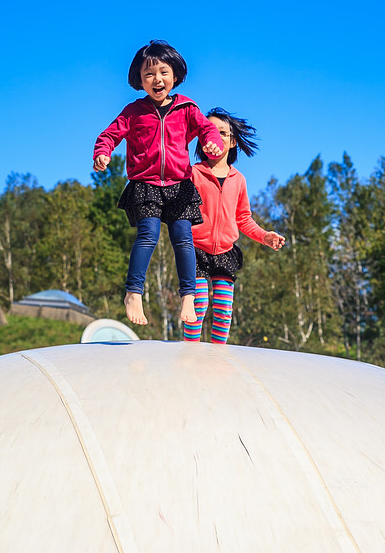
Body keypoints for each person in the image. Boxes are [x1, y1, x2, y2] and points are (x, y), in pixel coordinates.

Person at [93, 41, 224, 326]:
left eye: (164, 72)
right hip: (146, 183)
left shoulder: (187, 108)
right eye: (149, 74)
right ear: (140, 80)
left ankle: (188, 296)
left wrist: (212, 143)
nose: (157, 79)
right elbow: (109, 135)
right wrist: (102, 152)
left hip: (179, 184)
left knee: (183, 238)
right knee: (148, 234)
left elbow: (206, 128)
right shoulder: (133, 111)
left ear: (175, 76)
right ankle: (133, 292)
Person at [183, 108, 285, 344]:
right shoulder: (193, 174)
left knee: (223, 311)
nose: (216, 137)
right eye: (209, 132)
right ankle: (189, 352)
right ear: (201, 139)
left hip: (225, 252)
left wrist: (264, 236)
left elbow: (244, 219)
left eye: (222, 133)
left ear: (233, 142)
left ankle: (218, 356)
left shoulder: (238, 180)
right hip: (195, 249)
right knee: (198, 304)